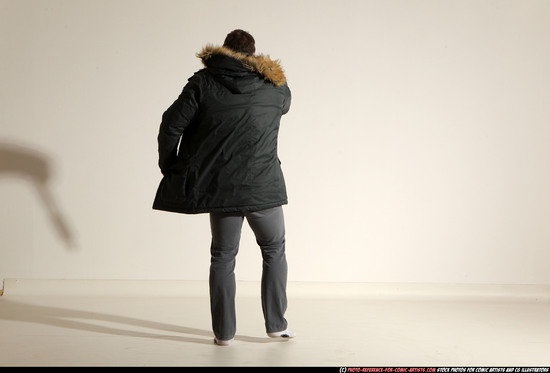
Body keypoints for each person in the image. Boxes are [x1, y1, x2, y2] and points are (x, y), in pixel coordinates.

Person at [153, 29, 294, 346]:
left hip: (221, 189)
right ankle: (276, 324)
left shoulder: (202, 83)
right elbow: (284, 107)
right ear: (254, 54)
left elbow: (171, 123)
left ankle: (224, 334)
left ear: (223, 51)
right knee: (274, 251)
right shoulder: (276, 85)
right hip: (264, 187)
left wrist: (171, 166)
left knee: (223, 257)